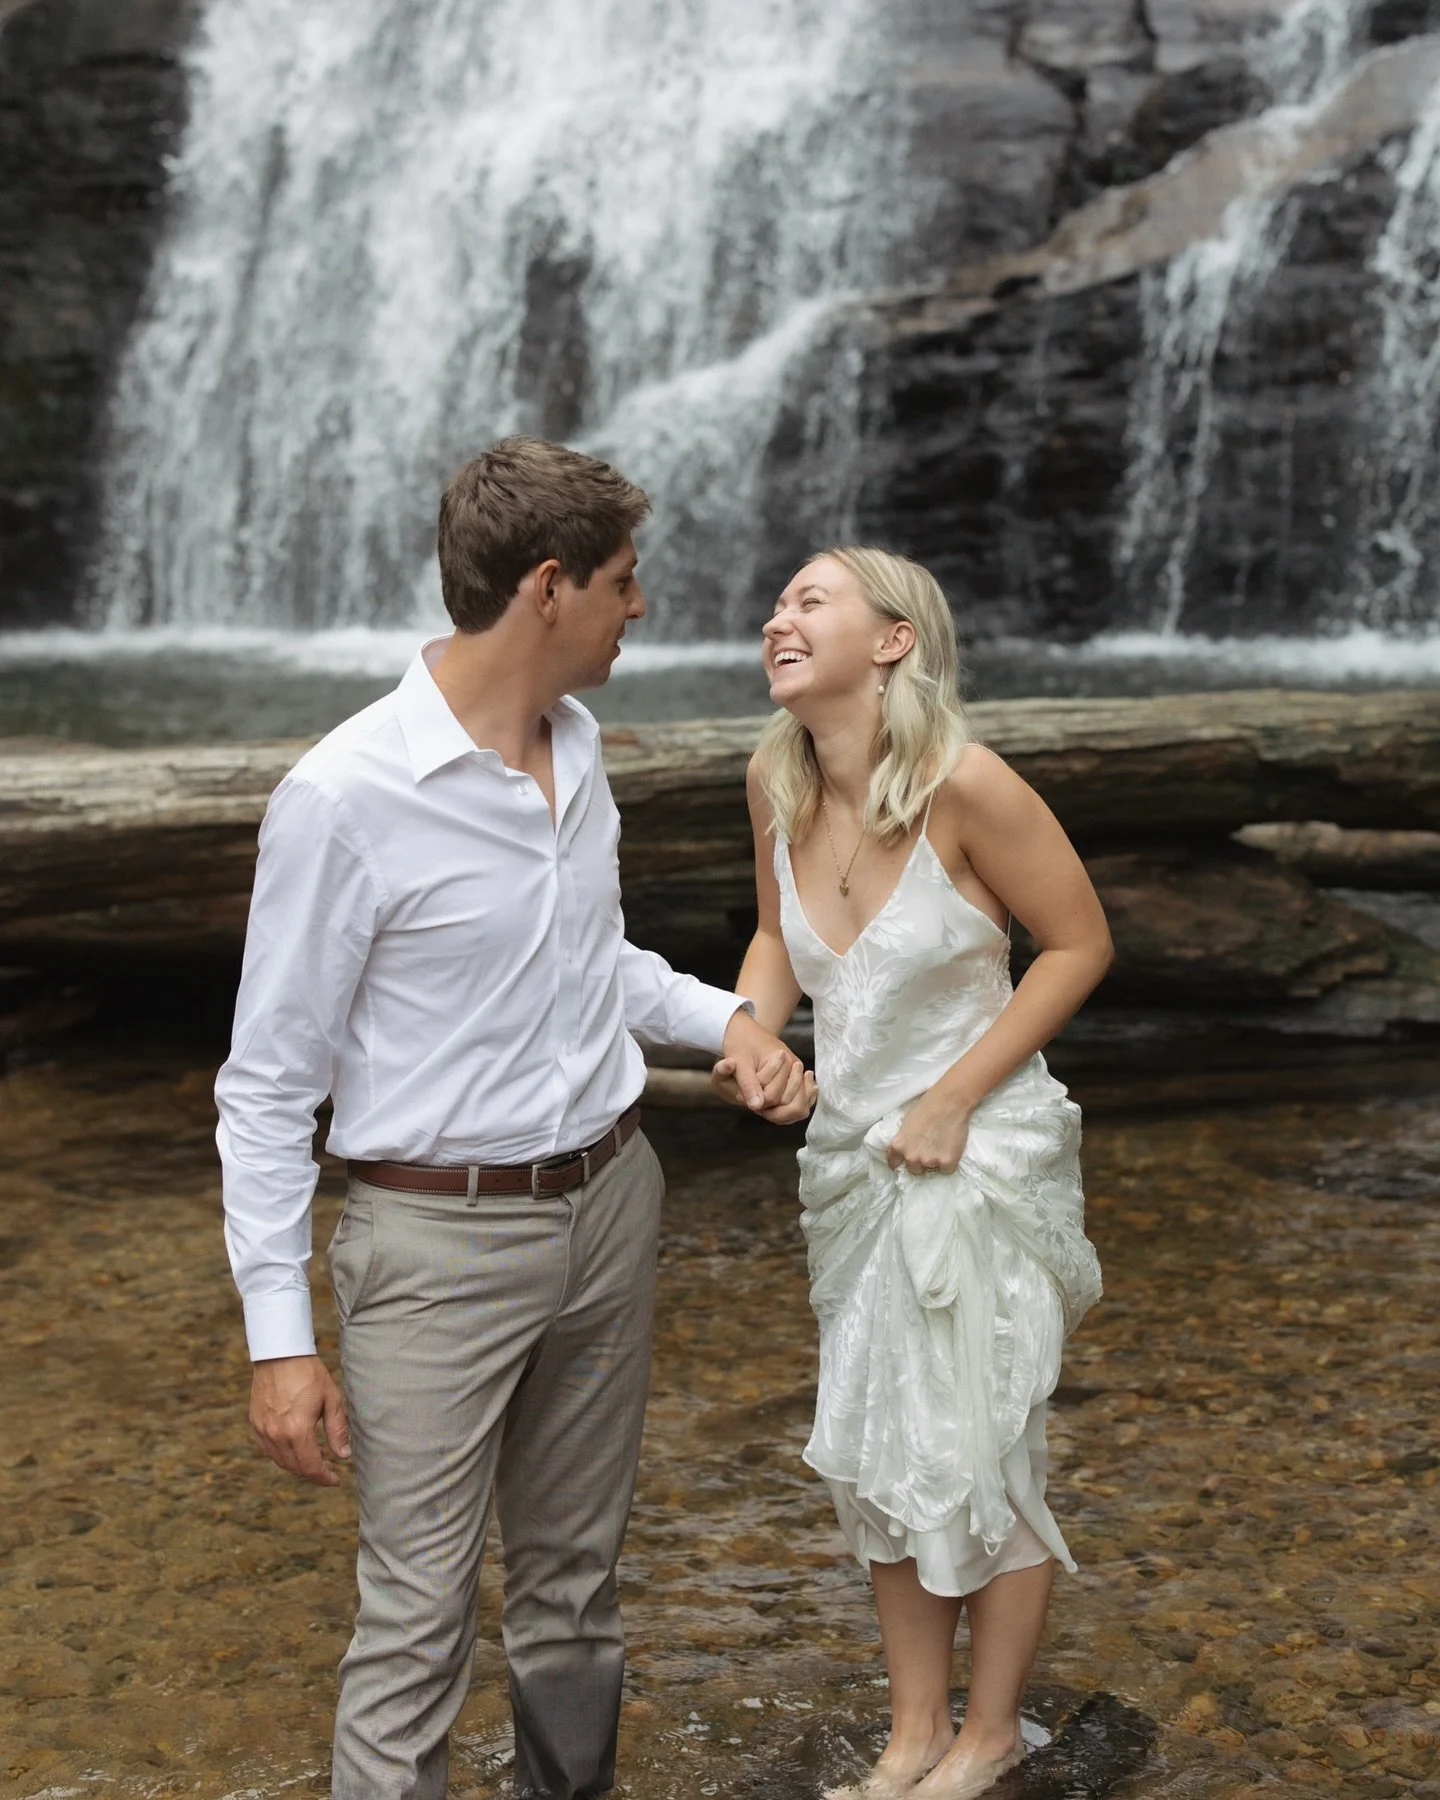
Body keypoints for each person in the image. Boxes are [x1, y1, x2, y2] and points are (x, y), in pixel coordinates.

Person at [215, 436, 812, 1800]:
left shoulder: (579, 745)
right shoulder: (343, 798)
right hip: (434, 1250)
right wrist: (278, 1345)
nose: (641, 605)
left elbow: (587, 960)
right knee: (416, 1623)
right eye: (623, 579)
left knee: (574, 1591)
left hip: (610, 1206)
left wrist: (726, 1021)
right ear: (550, 588)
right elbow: (265, 1089)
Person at [713, 546, 1109, 1800]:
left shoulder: (966, 785)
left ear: (892, 640)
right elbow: (777, 940)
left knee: (989, 1442)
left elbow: (1079, 943)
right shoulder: (772, 784)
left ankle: (991, 1736)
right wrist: (749, 1031)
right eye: (777, 604)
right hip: (853, 1171)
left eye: (810, 601)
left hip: (982, 1155)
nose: (779, 618)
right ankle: (912, 1735)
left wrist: (951, 1096)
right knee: (879, 1443)